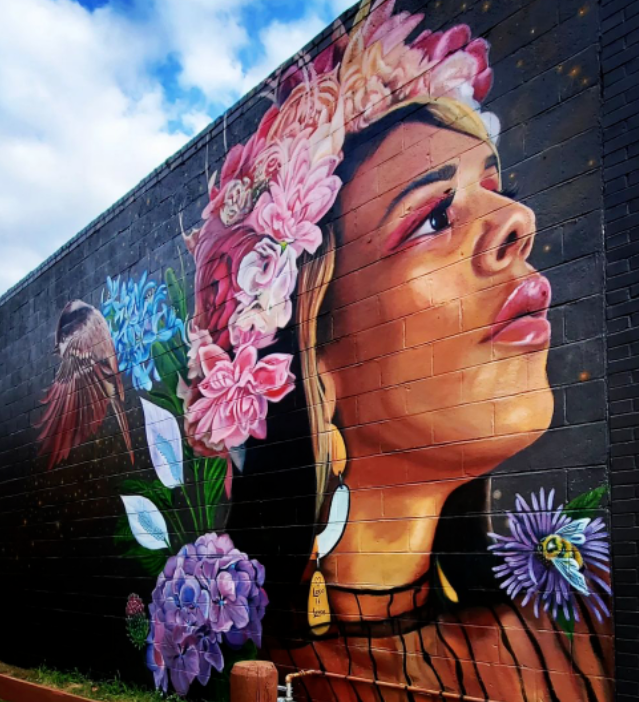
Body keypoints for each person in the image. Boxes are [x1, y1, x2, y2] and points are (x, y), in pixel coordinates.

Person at [182, 1, 613, 699]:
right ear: (315, 362)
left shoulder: (585, 631)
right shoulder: (277, 680)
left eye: (496, 191)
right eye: (434, 217)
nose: (519, 220)